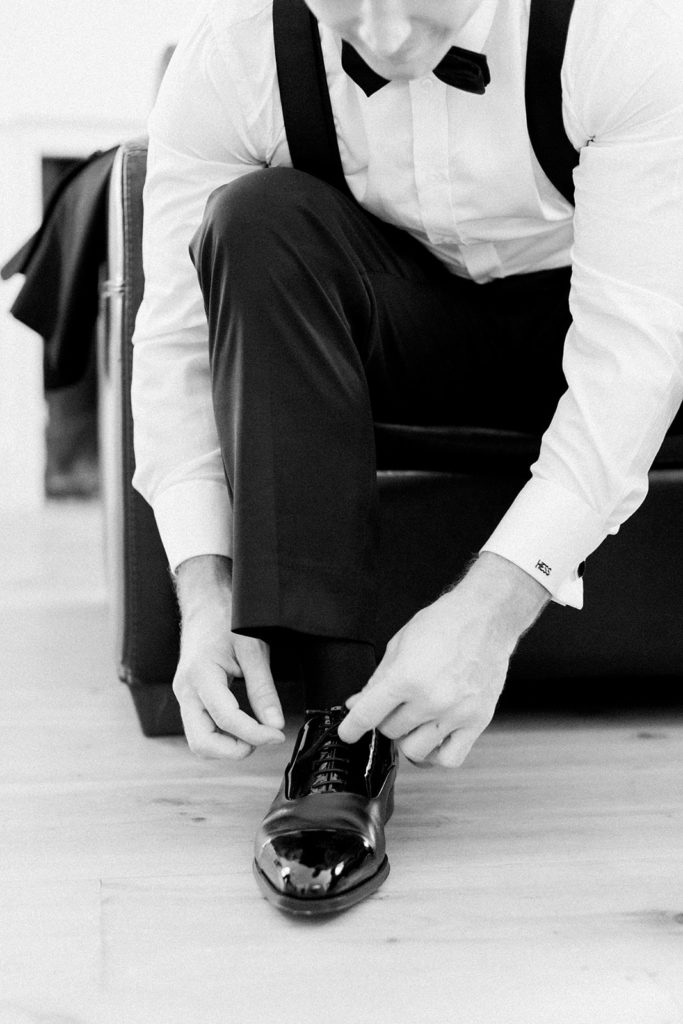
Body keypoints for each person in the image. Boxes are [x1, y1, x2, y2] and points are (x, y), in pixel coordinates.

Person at [131, 0, 683, 915]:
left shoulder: (621, 30)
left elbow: (636, 356)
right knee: (253, 218)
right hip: (389, 334)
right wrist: (199, 586)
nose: (384, 33)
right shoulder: (232, 57)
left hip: (590, 318)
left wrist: (491, 611)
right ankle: (339, 733)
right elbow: (177, 342)